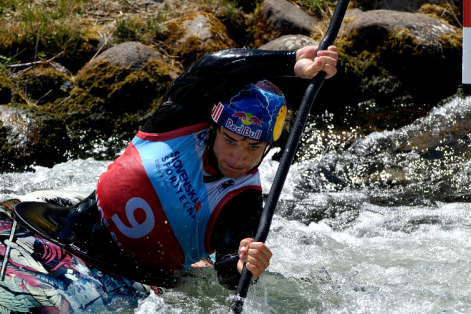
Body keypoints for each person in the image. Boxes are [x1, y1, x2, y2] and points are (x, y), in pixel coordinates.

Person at [30, 45, 338, 289]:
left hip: (133, 280)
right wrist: (291, 61)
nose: (238, 158)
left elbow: (229, 269)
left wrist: (245, 265)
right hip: (76, 231)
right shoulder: (179, 121)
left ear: (268, 148)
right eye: (230, 141)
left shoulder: (243, 200)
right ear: (215, 128)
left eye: (253, 147)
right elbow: (209, 68)